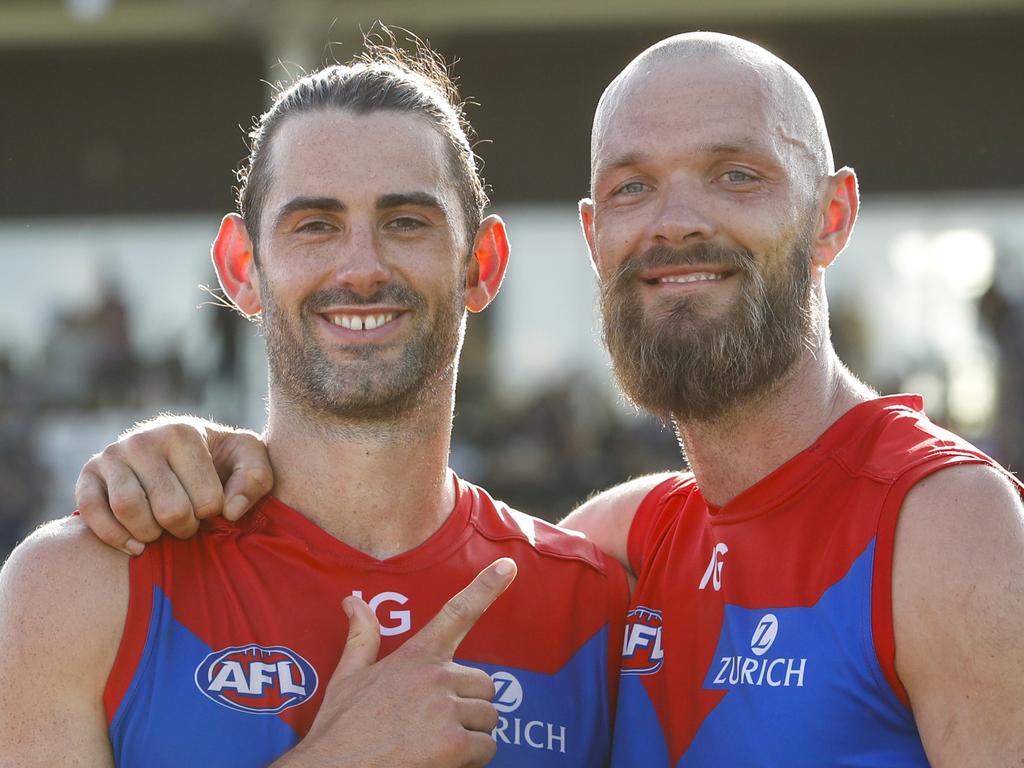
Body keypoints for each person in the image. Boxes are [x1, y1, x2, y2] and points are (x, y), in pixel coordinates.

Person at [61, 32, 1024, 766]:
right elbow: (356, 508)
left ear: (833, 217)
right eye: (634, 187)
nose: (677, 220)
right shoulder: (621, 548)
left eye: (737, 175)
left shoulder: (947, 527)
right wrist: (190, 451)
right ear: (596, 235)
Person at [0, 38, 627, 768]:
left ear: (481, 266)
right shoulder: (80, 584)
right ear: (243, 269)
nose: (361, 267)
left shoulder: (596, 610)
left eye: (406, 222)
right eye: (315, 225)